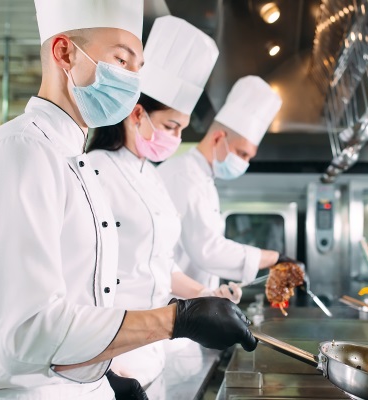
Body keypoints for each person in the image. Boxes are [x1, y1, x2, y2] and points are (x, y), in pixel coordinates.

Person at [0, 2, 256, 399]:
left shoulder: (76, 162)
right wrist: (176, 320)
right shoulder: (20, 151)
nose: (132, 82)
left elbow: (86, 300)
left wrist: (104, 376)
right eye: (121, 61)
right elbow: (27, 333)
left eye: (137, 68)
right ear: (64, 53)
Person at [87, 16, 241, 393]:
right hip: (112, 363)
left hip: (155, 354)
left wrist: (208, 297)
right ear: (137, 114)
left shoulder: (151, 176)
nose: (177, 138)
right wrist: (106, 371)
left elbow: (159, 265)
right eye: (171, 126)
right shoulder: (94, 172)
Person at [158, 76, 291, 290]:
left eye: (249, 157)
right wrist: (274, 258)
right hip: (172, 303)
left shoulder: (203, 178)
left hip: (191, 301)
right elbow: (208, 251)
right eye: (242, 153)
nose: (244, 163)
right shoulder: (183, 176)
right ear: (218, 138)